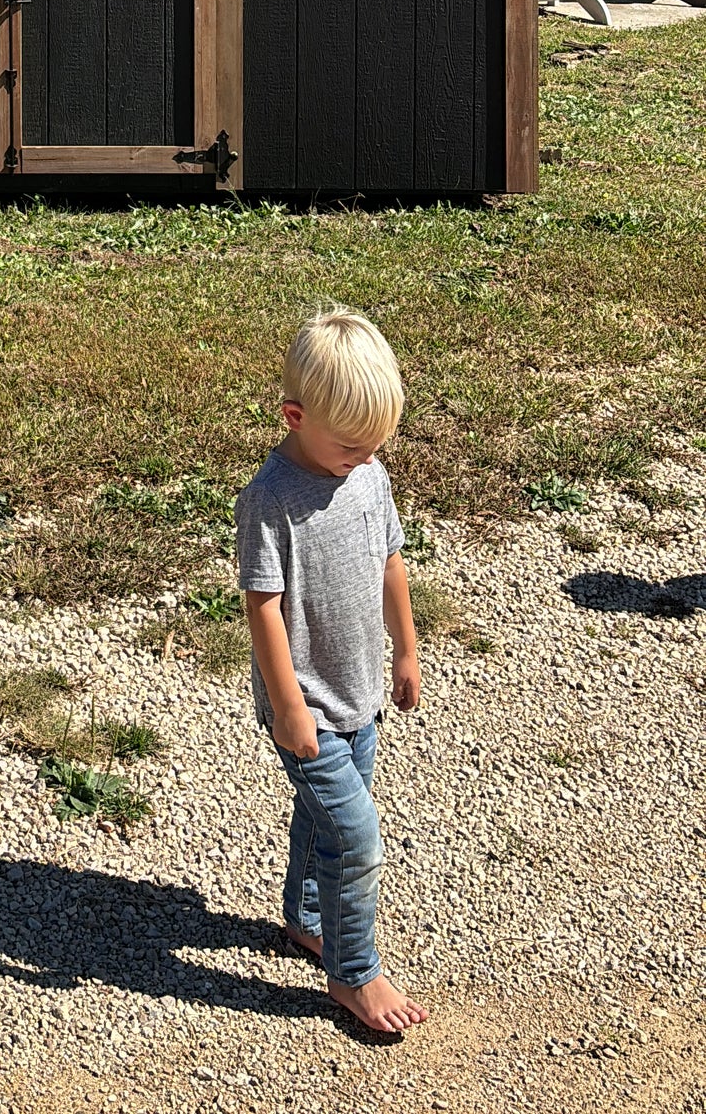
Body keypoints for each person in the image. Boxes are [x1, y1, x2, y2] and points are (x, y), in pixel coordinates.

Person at [235, 308, 428, 1037]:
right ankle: (354, 974)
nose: (367, 457)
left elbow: (389, 561)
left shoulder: (367, 473)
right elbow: (262, 606)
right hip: (307, 705)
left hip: (360, 694)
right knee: (355, 835)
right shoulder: (269, 497)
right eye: (352, 444)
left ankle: (307, 919)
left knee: (324, 824)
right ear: (295, 414)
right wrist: (286, 707)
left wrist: (404, 649)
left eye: (377, 444)